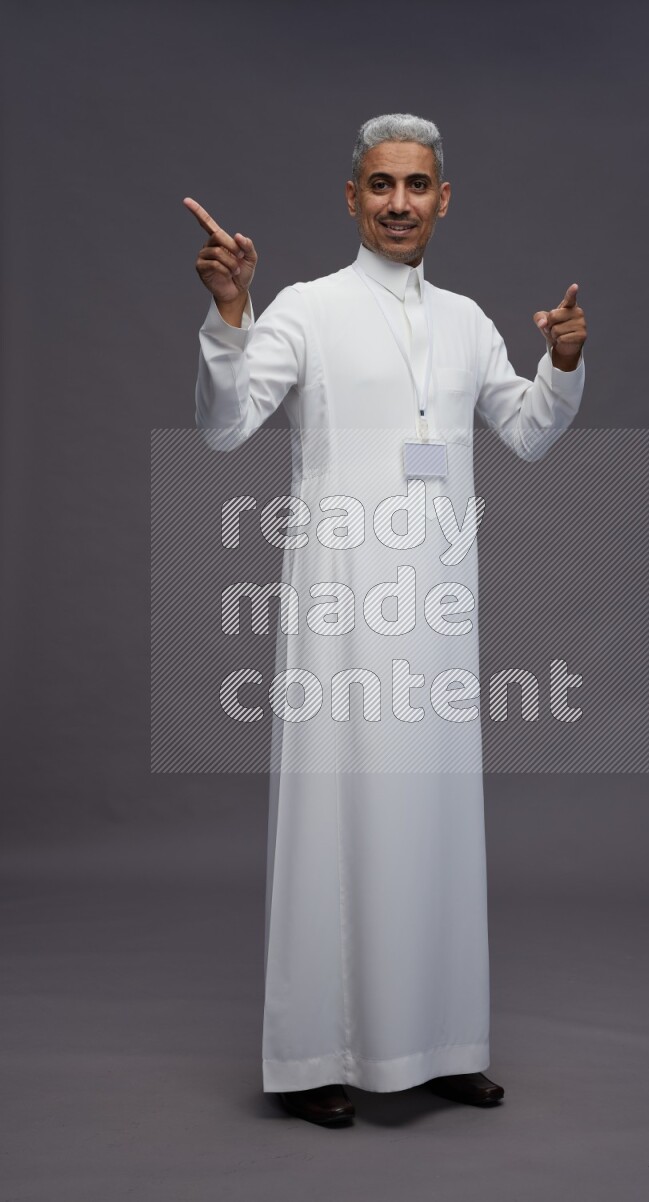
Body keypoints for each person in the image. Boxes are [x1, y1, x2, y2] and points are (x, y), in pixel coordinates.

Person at [184, 113, 587, 1126]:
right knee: (334, 819)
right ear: (352, 198)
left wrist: (563, 367)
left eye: (416, 185)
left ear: (442, 200)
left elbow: (528, 432)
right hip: (339, 607)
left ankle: (440, 1042)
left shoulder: (465, 322)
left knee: (438, 819)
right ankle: (315, 1054)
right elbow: (225, 422)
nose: (399, 202)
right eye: (380, 185)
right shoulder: (306, 310)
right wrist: (231, 312)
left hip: (438, 610)